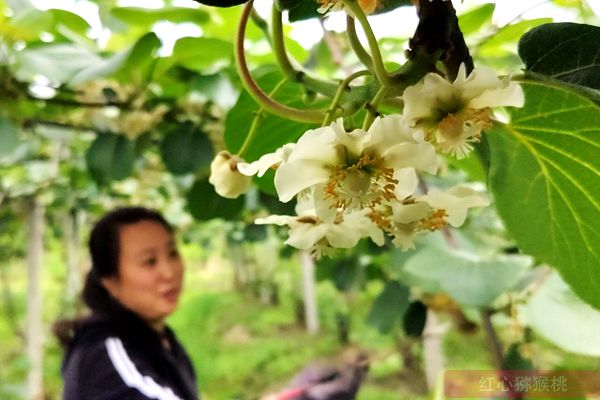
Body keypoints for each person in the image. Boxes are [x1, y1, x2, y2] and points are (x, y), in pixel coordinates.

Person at [54, 207, 199, 400]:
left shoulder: (159, 340)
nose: (169, 272)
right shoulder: (108, 356)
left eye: (172, 253)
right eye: (150, 261)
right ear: (111, 282)